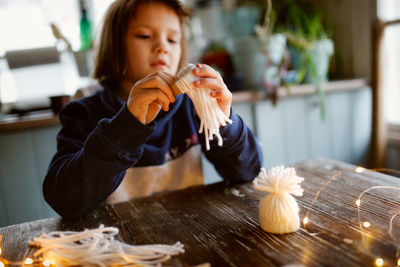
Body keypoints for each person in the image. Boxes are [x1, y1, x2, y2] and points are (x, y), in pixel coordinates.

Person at [43, 0, 263, 219]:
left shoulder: (190, 107)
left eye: (172, 39)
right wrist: (126, 125)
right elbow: (64, 200)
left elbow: (248, 171)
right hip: (115, 245)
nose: (162, 47)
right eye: (144, 36)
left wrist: (221, 121)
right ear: (115, 46)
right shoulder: (83, 114)